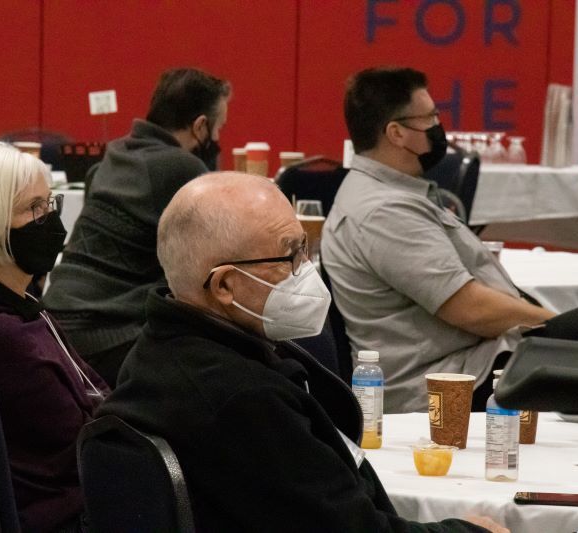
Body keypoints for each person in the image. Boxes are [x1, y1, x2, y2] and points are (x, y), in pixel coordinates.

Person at [98, 172, 508, 533]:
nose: (306, 269)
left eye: (306, 250)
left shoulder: (161, 349)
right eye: (290, 255)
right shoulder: (241, 398)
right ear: (224, 286)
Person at [322, 67, 578, 413]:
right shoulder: (383, 211)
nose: (438, 127)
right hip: (450, 383)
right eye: (429, 117)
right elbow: (469, 308)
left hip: (476, 362)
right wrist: (556, 329)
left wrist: (560, 333)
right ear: (396, 133)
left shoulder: (390, 193)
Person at [0, 142, 109, 532]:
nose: (51, 219)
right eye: (34, 209)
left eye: (49, 203)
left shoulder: (13, 303)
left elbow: (90, 389)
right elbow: (85, 442)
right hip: (73, 513)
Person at [43, 67, 231, 387]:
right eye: (219, 128)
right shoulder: (182, 167)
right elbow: (219, 251)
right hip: (107, 335)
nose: (217, 139)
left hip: (55, 322)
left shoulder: (115, 154)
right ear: (201, 126)